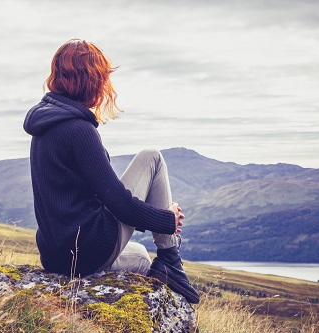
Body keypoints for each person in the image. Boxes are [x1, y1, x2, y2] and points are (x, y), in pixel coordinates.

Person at [23, 39, 199, 304]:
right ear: (91, 80)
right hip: (87, 249)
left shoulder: (44, 125)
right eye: (102, 77)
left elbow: (98, 196)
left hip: (55, 255)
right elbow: (119, 203)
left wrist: (149, 216)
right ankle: (170, 259)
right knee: (152, 157)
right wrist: (166, 219)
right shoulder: (80, 131)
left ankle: (164, 266)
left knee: (139, 255)